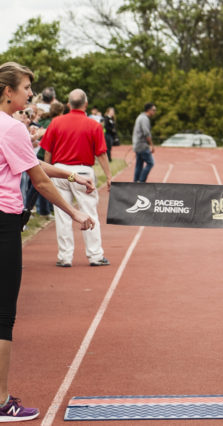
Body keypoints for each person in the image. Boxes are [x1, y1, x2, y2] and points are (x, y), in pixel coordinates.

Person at [0, 61, 94, 423]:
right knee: (4, 315)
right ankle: (2, 400)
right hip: (5, 226)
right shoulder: (12, 128)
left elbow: (32, 165)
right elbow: (38, 181)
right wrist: (75, 213)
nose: (31, 94)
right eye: (25, 87)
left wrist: (70, 172)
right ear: (7, 91)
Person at [40, 88, 112, 268]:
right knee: (89, 213)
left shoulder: (56, 123)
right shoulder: (94, 125)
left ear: (68, 104)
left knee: (63, 214)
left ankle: (65, 257)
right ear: (85, 104)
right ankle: (95, 255)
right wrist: (109, 176)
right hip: (83, 172)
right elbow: (101, 154)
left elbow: (47, 151)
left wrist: (46, 173)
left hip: (59, 171)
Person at [132, 103, 156, 183]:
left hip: (137, 144)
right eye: (153, 110)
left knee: (139, 165)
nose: (154, 112)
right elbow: (146, 133)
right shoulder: (144, 119)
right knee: (150, 163)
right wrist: (151, 145)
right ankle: (141, 181)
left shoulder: (140, 117)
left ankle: (136, 182)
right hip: (142, 145)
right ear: (149, 110)